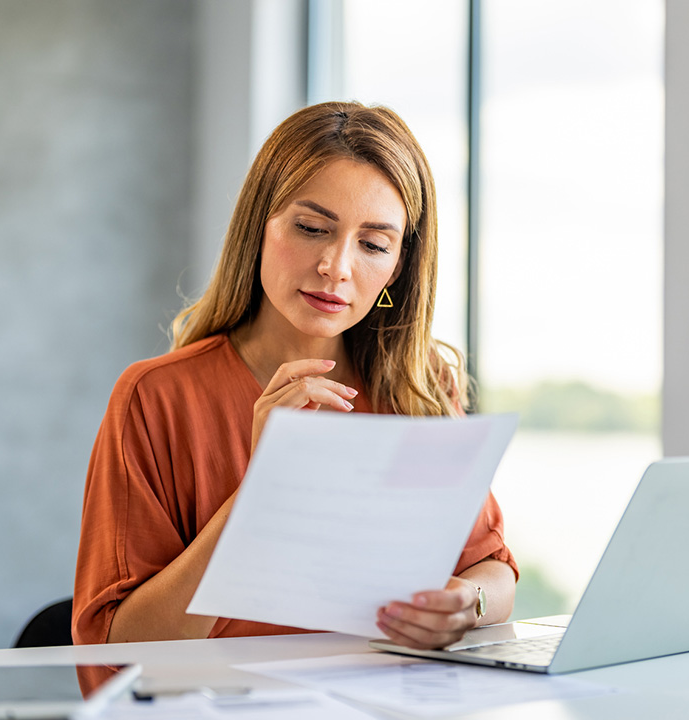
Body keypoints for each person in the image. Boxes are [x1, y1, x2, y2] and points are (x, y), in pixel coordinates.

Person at [72, 101, 517, 651]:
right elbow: (117, 646)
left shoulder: (419, 385)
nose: (337, 266)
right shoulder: (155, 398)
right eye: (311, 228)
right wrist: (262, 492)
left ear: (398, 266)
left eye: (374, 244)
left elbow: (493, 572)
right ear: (259, 224)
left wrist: (465, 605)